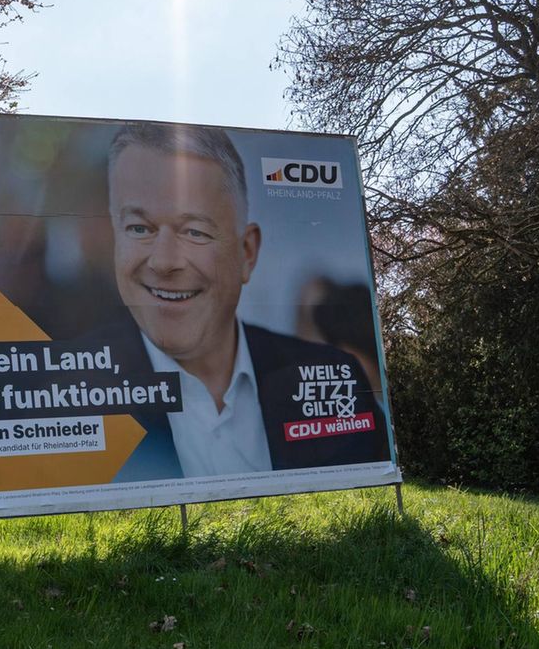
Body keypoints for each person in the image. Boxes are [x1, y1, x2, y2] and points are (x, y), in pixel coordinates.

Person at [102, 122, 389, 479]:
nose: (163, 262)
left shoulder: (337, 375)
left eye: (194, 231)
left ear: (246, 252)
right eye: (139, 228)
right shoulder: (66, 393)